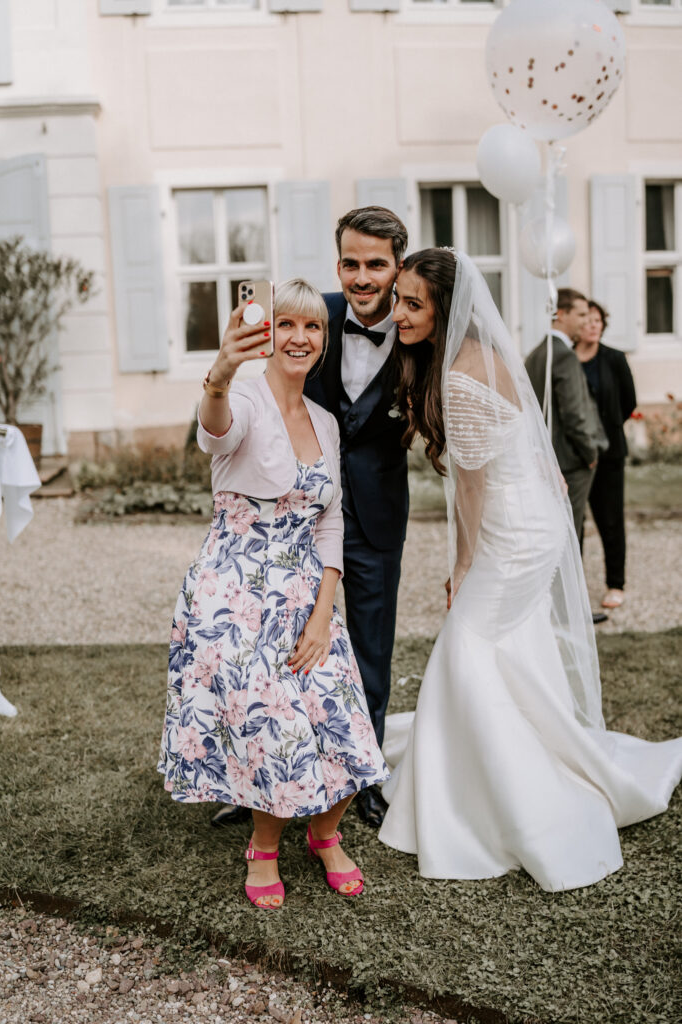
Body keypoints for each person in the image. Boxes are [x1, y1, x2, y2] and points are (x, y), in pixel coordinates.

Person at [378, 248, 682, 892]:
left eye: (412, 304)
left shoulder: (461, 376)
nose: (397, 313)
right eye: (398, 299)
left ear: (445, 309)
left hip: (511, 535)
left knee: (465, 648)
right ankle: (507, 759)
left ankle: (507, 800)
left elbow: (472, 487)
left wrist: (462, 564)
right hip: (535, 524)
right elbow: (532, 458)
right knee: (511, 648)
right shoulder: (489, 357)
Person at [158, 278, 389, 908]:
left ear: (322, 341)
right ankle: (263, 847)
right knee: (278, 728)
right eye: (287, 324)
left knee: (350, 727)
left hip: (304, 594)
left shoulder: (323, 421)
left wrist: (323, 614)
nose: (300, 337)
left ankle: (323, 834)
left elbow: (332, 521)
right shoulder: (245, 399)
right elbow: (214, 432)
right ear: (268, 334)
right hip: (231, 595)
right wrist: (221, 371)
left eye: (312, 327)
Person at [302, 206, 410, 829]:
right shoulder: (311, 315)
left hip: (375, 516)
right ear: (337, 262)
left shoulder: (423, 328)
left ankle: (363, 777)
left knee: (371, 650)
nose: (361, 276)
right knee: (283, 641)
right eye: (351, 262)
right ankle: (263, 772)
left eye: (375, 263)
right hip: (297, 512)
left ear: (397, 265)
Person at [525, 289, 605, 542]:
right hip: (569, 460)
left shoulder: (536, 353)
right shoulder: (564, 356)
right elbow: (574, 415)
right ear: (560, 314)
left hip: (544, 459)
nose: (586, 320)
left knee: (549, 532)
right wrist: (590, 454)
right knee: (569, 533)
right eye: (581, 314)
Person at [574, 300, 637, 610]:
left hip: (609, 454)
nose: (594, 325)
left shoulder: (614, 359)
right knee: (572, 522)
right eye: (588, 319)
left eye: (598, 320)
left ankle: (616, 584)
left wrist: (603, 434)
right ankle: (573, 589)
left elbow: (628, 402)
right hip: (573, 457)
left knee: (610, 520)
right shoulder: (566, 359)